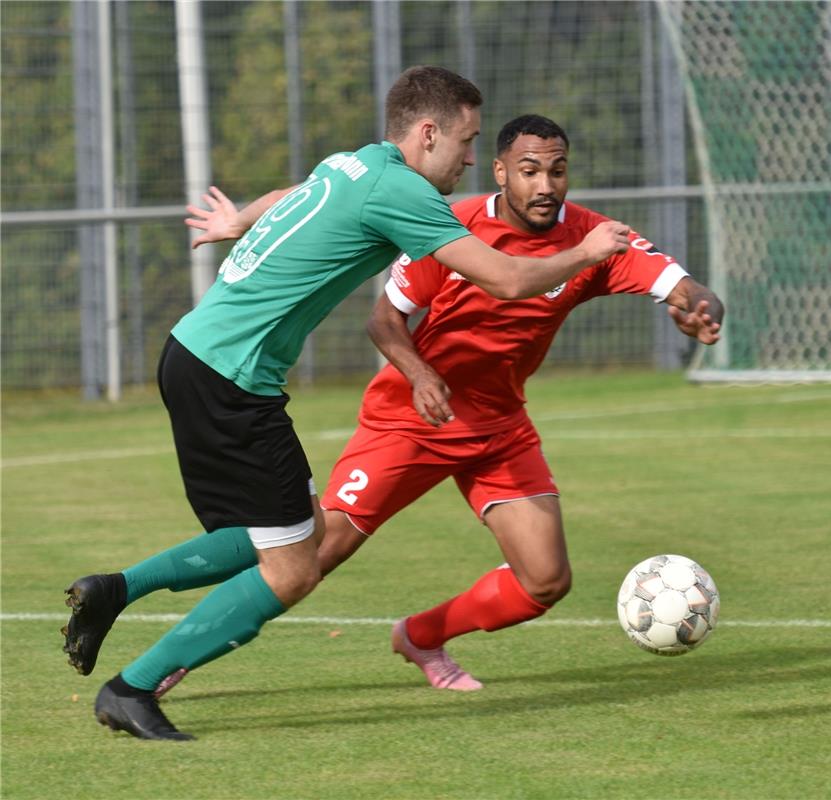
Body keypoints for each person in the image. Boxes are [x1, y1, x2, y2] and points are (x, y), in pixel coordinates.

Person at [61, 69, 632, 741]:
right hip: (231, 378)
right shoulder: (402, 190)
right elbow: (507, 279)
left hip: (197, 353)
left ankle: (115, 589)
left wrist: (237, 220)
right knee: (296, 566)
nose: (472, 158)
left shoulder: (354, 165)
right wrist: (585, 251)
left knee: (286, 533)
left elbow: (287, 196)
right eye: (468, 140)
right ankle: (132, 689)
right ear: (428, 134)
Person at [155, 114, 724, 698]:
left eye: (557, 171)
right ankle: (169, 661)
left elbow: (677, 282)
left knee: (545, 580)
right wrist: (421, 373)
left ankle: (421, 636)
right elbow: (385, 318)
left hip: (500, 426)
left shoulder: (589, 237)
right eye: (530, 171)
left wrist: (700, 306)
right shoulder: (449, 226)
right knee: (309, 558)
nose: (546, 185)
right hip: (410, 420)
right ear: (502, 172)